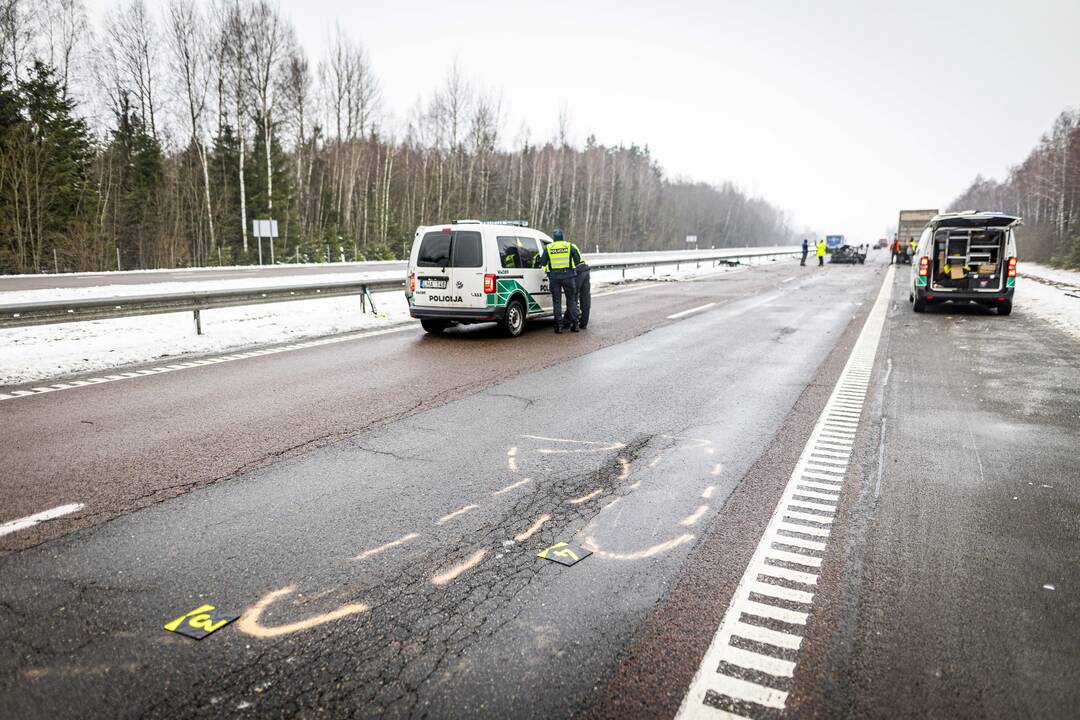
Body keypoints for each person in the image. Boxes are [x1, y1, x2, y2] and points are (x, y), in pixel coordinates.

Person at [539, 229, 580, 333]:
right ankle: (575, 324)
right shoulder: (568, 246)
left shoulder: (549, 247)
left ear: (554, 237)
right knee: (571, 301)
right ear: (563, 237)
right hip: (568, 276)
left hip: (554, 277)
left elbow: (543, 263)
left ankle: (559, 326)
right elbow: (578, 260)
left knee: (557, 302)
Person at [572, 240, 591, 329]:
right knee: (585, 298)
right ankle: (584, 323)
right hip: (585, 270)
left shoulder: (553, 249)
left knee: (573, 298)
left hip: (577, 271)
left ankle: (572, 323)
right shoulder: (572, 245)